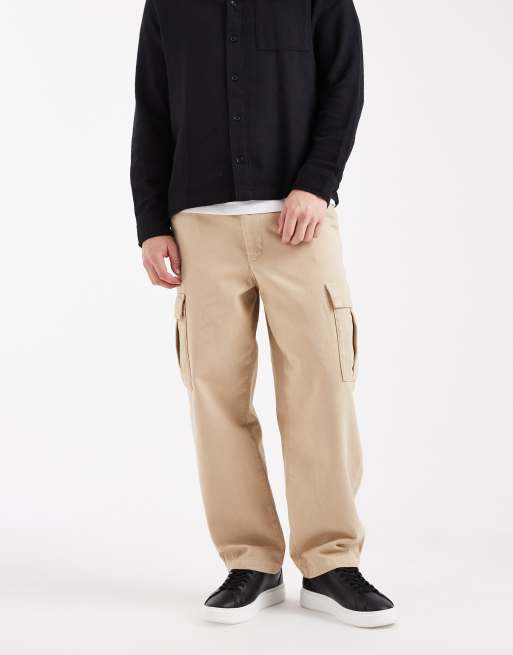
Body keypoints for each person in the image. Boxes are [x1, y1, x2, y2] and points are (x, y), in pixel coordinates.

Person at [130, 0, 395, 627]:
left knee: (322, 385)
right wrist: (151, 222)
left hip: (299, 221)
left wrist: (317, 182)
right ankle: (250, 562)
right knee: (216, 393)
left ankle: (330, 564)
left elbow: (344, 85)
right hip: (199, 226)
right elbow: (153, 109)